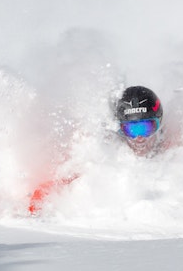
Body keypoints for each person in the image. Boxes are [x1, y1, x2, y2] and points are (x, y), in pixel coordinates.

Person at [27, 85, 165, 214]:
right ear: (120, 129)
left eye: (146, 127)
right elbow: (69, 174)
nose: (139, 137)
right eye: (132, 129)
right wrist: (40, 199)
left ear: (159, 123)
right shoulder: (107, 150)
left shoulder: (169, 146)